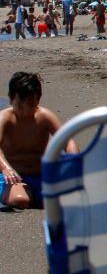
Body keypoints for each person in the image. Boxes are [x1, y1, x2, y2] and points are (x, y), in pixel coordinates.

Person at [1, 72, 77, 209]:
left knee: (67, 199)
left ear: (38, 100)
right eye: (19, 105)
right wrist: (6, 169)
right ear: (11, 99)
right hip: (13, 176)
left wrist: (74, 162)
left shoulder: (44, 117)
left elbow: (67, 140)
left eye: (30, 105)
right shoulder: (5, 119)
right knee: (20, 201)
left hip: (40, 174)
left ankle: (36, 194)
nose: (25, 111)